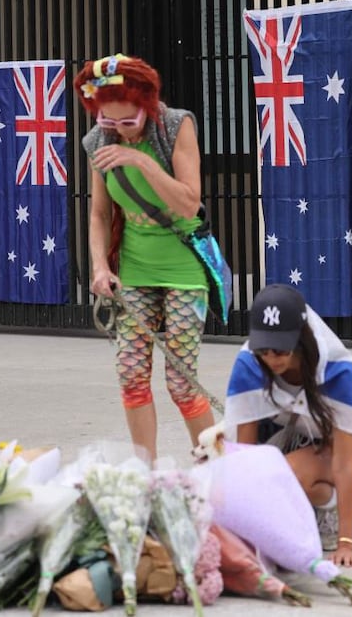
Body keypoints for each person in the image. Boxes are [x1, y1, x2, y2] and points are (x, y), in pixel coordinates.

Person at [74, 54, 215, 461]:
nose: (118, 131)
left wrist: (139, 160)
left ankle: (217, 473)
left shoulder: (175, 126)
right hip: (135, 271)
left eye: (128, 122)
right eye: (107, 121)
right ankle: (144, 474)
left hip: (185, 269)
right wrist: (101, 267)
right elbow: (99, 214)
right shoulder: (98, 142)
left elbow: (189, 205)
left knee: (182, 382)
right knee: (132, 376)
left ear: (147, 107)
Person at [224, 284, 352, 566]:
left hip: (333, 447)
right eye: (263, 348)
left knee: (283, 476)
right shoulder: (250, 363)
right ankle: (318, 506)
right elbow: (245, 455)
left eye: (280, 349)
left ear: (300, 338)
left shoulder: (338, 369)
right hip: (280, 436)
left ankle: (332, 517)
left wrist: (346, 544)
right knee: (246, 475)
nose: (271, 358)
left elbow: (345, 461)